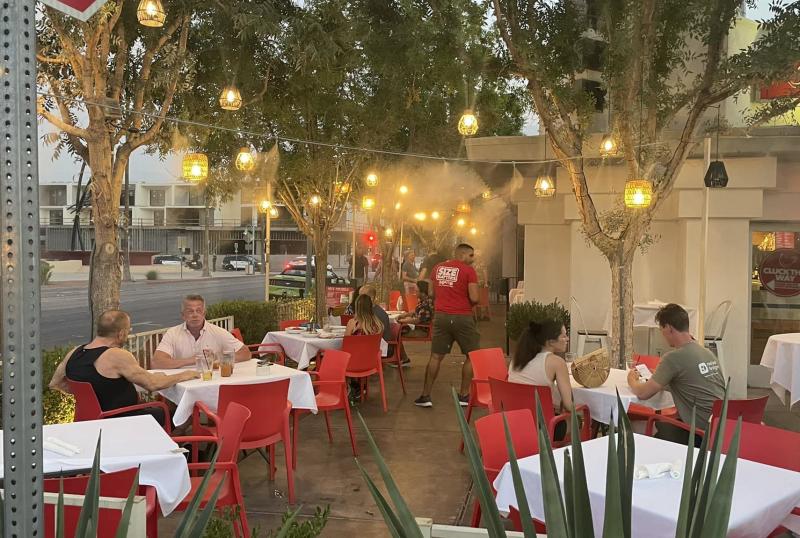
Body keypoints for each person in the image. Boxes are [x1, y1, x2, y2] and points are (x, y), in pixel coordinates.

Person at [49, 310, 198, 424]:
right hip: (124, 420)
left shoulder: (74, 352)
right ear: (121, 334)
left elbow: (55, 383)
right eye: (128, 331)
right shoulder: (116, 355)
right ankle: (175, 454)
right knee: (184, 416)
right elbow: (152, 384)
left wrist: (90, 398)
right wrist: (185, 375)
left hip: (88, 420)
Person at [627, 303, 725, 446]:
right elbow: (689, 381)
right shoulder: (706, 353)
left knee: (630, 425)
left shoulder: (673, 358)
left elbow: (643, 393)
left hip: (699, 433)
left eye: (662, 331)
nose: (663, 337)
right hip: (721, 428)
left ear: (669, 328)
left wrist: (631, 380)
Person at [415, 243, 480, 408]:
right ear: (462, 255)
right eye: (471, 255)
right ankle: (464, 396)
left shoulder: (438, 268)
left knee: (436, 356)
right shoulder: (468, 271)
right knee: (471, 356)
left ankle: (425, 395)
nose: (473, 259)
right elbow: (474, 297)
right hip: (462, 317)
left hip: (441, 317)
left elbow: (430, 292)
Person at [509, 321, 574, 439]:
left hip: (513, 423)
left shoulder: (517, 359)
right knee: (579, 419)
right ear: (551, 341)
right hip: (544, 429)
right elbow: (569, 405)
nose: (567, 339)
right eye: (563, 336)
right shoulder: (556, 362)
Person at [151, 294, 251, 369]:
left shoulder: (218, 332)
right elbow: (157, 362)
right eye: (190, 311)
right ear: (183, 315)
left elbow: (245, 353)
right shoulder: (172, 333)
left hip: (211, 384)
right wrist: (193, 360)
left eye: (198, 310)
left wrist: (217, 358)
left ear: (204, 313)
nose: (195, 315)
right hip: (182, 383)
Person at [392, 280, 434, 367]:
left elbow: (417, 320)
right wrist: (405, 315)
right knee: (396, 330)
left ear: (423, 293)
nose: (415, 292)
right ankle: (400, 357)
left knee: (395, 334)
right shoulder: (423, 301)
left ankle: (402, 358)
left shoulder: (426, 304)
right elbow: (415, 312)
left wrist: (403, 321)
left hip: (422, 330)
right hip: (418, 327)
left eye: (417, 291)